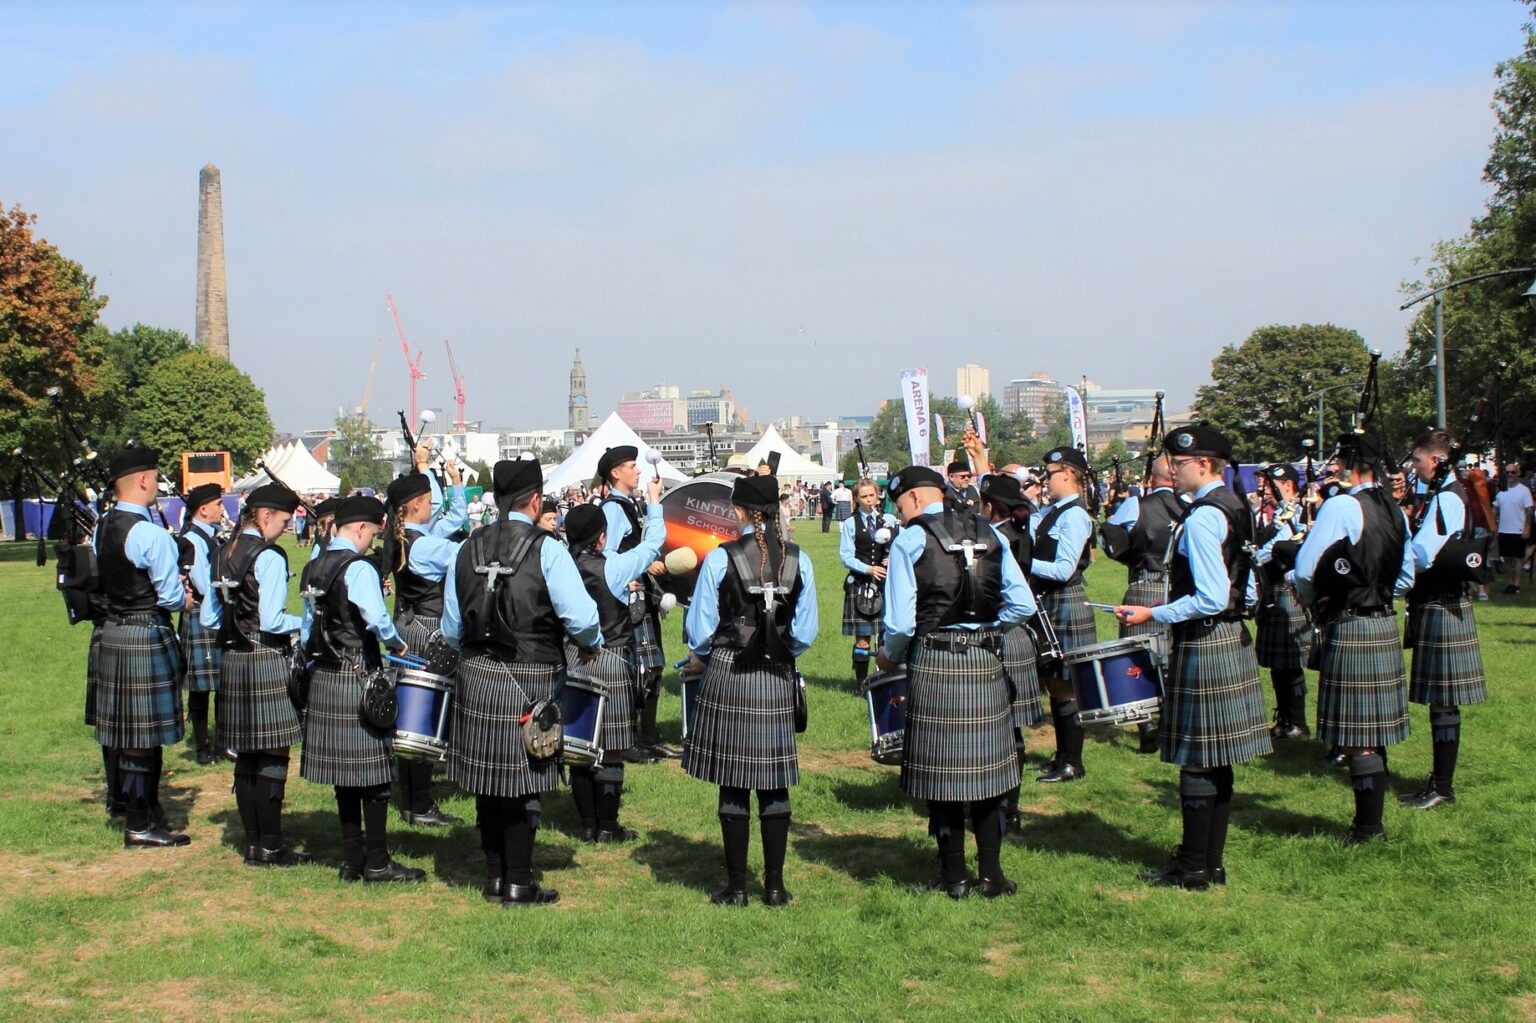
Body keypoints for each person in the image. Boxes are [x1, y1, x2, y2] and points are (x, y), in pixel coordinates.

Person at [441, 458, 602, 906]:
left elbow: (452, 629)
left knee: (489, 781)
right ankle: (519, 882)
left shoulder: (465, 548)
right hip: (531, 678)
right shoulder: (547, 548)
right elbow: (582, 618)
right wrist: (589, 642)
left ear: (495, 499)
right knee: (523, 781)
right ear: (534, 501)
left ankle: (494, 877)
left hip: (476, 676)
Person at [1116, 425, 1272, 890]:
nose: (1171, 470)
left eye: (1179, 463)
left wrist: (1152, 612)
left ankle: (1194, 868)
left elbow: (1210, 595)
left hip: (1206, 637)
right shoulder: (1233, 504)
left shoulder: (1205, 515)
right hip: (1226, 639)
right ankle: (1208, 862)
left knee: (1198, 760)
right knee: (1217, 759)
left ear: (1203, 464)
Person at [876, 466, 1034, 898]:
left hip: (935, 659)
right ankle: (991, 876)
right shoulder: (991, 532)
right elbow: (1022, 603)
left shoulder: (910, 539)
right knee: (989, 776)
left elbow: (902, 622)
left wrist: (889, 654)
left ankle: (954, 878)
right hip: (985, 661)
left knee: (940, 774)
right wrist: (989, 628)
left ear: (909, 498)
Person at [684, 474, 818, 906]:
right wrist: (779, 648)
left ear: (739, 512)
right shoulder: (800, 559)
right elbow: (806, 632)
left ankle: (737, 887)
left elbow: (699, 631)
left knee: (734, 781)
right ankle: (775, 888)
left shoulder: (721, 559)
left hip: (729, 670)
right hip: (776, 674)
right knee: (774, 781)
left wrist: (711, 653)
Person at [1290, 432, 1415, 845]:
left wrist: (1313, 600)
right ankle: (1371, 825)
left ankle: (1366, 831)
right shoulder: (1395, 509)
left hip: (1352, 623)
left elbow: (1307, 570)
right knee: (1373, 733)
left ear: (1348, 463)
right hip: (1383, 622)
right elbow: (1408, 576)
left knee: (1360, 736)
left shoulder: (1344, 505)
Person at [299, 495, 424, 883]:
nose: (373, 541)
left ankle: (352, 862)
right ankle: (378, 863)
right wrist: (396, 644)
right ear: (358, 528)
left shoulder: (313, 566)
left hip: (325, 676)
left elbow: (307, 630)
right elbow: (375, 617)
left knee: (344, 779)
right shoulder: (358, 567)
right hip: (357, 676)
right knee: (373, 779)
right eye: (372, 533)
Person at [91, 447, 192, 848]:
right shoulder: (150, 534)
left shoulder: (103, 525)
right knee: (142, 735)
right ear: (145, 481)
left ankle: (145, 811)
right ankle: (139, 822)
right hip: (145, 633)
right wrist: (185, 599)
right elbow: (170, 596)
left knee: (132, 733)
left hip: (114, 630)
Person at [203, 483, 309, 866]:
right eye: (283, 521)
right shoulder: (268, 555)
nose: (284, 529)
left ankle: (253, 843)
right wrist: (311, 622)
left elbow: (208, 617)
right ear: (264, 516)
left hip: (232, 658)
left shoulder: (220, 552)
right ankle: (272, 845)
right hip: (264, 657)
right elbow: (273, 619)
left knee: (246, 753)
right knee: (273, 751)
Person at [562, 474, 666, 843]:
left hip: (569, 658)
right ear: (602, 537)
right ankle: (607, 826)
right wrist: (654, 503)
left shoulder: (557, 565)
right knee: (612, 749)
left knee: (576, 746)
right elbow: (653, 544)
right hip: (609, 655)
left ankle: (587, 826)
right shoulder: (613, 566)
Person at [1398, 429, 1487, 811]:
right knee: (1440, 701)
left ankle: (1443, 786)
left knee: (1445, 701)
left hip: (1443, 604)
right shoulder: (1440, 494)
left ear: (1434, 460)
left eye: (1417, 460)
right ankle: (1438, 781)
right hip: (1436, 603)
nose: (1414, 468)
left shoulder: (1448, 499)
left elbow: (1424, 554)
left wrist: (1395, 555)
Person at [381, 468, 466, 828]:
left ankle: (414, 800)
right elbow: (466, 553)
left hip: (407, 625)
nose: (432, 506)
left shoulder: (402, 539)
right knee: (423, 718)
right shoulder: (426, 546)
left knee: (410, 716)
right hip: (429, 630)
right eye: (430, 501)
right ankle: (420, 805)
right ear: (416, 505)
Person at [1099, 454, 1183, 754]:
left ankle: (1147, 725)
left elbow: (1109, 536)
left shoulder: (1137, 505)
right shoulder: (1193, 505)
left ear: (1151, 480)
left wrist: (1128, 557)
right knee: (1176, 655)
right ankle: (1174, 722)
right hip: (1182, 589)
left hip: (1145, 584)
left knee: (1139, 657)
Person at [599, 445, 676, 761]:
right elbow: (607, 554)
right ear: (616, 473)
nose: (638, 469)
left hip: (641, 594)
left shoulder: (628, 505)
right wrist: (641, 567)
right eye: (632, 465)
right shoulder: (613, 509)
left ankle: (647, 736)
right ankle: (628, 739)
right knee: (636, 668)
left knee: (652, 665)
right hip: (627, 596)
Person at [977, 471, 1044, 829]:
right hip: (1020, 634)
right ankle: (1010, 807)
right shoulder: (1021, 531)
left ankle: (999, 803)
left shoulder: (993, 539)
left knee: (996, 727)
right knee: (1014, 727)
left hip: (1000, 629)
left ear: (989, 506)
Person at [1029, 447, 1098, 783]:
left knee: (1067, 686)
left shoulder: (1074, 516)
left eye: (1051, 474)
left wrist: (1020, 561)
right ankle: (1063, 756)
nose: (1046, 480)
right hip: (1051, 603)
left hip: (1066, 600)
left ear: (1069, 474)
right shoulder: (1053, 511)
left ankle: (1073, 761)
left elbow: (1063, 568)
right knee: (1057, 683)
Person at [1252, 463, 1313, 740]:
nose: (1264, 489)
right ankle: (1285, 717)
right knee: (1278, 664)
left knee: (1291, 661)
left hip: (1289, 590)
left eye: (1270, 485)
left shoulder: (1299, 513)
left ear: (1287, 485)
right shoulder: (1275, 514)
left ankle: (1297, 721)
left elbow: (1291, 549)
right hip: (1271, 589)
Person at [178, 483, 226, 765]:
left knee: (220, 683)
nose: (223, 509)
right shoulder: (194, 540)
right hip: (202, 613)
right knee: (200, 687)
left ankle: (221, 741)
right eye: (218, 504)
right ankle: (202, 746)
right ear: (203, 509)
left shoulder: (211, 537)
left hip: (213, 613)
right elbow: (203, 584)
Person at [839, 479, 895, 685]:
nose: (869, 500)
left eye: (872, 495)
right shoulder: (850, 524)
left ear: (878, 495)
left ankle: (883, 680)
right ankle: (861, 683)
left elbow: (899, 545)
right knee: (863, 639)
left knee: (885, 637)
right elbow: (845, 556)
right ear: (856, 499)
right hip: (861, 584)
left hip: (884, 584)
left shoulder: (888, 519)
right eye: (864, 496)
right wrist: (868, 569)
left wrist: (892, 557)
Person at [1492, 462, 1531, 593]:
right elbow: (1495, 508)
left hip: (1518, 529)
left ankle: (1517, 584)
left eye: (1513, 472)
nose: (1510, 475)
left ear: (1518, 473)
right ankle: (1510, 583)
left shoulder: (1524, 491)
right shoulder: (1502, 491)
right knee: (1507, 558)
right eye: (1508, 472)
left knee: (1518, 558)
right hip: (1504, 529)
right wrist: (1493, 525)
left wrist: (1527, 527)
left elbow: (1529, 510)